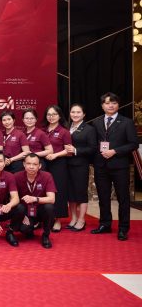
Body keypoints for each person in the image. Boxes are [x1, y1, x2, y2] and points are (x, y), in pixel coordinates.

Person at [91, 92, 138, 241]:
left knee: (123, 198)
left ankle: (123, 228)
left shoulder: (127, 122)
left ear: (118, 105)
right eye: (107, 103)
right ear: (102, 106)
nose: (110, 105)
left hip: (120, 166)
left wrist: (115, 151)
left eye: (114, 103)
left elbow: (133, 144)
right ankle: (105, 224)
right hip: (101, 165)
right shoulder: (96, 122)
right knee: (103, 197)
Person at [65, 103, 96, 231]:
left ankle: (82, 219)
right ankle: (73, 218)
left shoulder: (89, 129)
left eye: (78, 112)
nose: (75, 114)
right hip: (66, 164)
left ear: (83, 114)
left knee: (80, 192)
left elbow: (92, 148)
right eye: (73, 112)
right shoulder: (66, 127)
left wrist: (76, 150)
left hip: (80, 165)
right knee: (70, 193)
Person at [13, 154, 56, 249]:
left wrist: (35, 199)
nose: (31, 167)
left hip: (40, 209)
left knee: (49, 207)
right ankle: (31, 228)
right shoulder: (16, 176)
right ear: (24, 164)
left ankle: (46, 235)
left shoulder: (47, 176)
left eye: (35, 164)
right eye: (28, 163)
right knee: (24, 229)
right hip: (26, 211)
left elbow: (52, 199)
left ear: (39, 166)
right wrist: (22, 215)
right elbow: (13, 198)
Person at [42, 105, 72, 232]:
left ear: (59, 116)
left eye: (54, 114)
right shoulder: (43, 130)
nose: (51, 117)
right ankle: (43, 218)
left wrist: (55, 155)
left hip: (58, 164)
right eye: (49, 114)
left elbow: (69, 150)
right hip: (44, 164)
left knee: (58, 191)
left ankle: (58, 220)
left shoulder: (64, 131)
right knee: (43, 191)